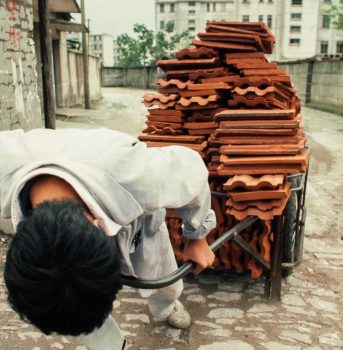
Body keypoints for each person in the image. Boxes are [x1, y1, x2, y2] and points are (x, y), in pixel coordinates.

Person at [0, 128, 216, 350]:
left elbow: (192, 169)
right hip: (89, 194)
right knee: (72, 300)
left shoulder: (137, 173)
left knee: (163, 279)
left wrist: (198, 236)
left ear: (98, 227)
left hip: (136, 219)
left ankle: (168, 306)